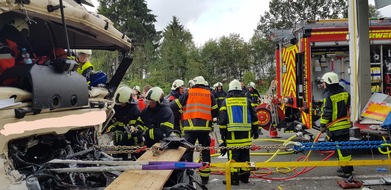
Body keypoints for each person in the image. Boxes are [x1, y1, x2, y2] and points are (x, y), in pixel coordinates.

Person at [171, 76, 218, 185]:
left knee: (188, 152)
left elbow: (175, 105)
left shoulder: (189, 93)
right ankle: (205, 178)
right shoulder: (209, 94)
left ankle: (189, 176)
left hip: (190, 129)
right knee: (205, 152)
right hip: (205, 129)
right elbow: (215, 112)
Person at [218, 79, 259, 185]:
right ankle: (245, 178)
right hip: (246, 135)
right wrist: (255, 131)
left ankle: (234, 179)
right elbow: (254, 117)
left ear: (230, 89)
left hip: (232, 136)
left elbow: (222, 120)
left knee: (233, 158)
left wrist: (223, 134)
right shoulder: (247, 101)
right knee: (245, 156)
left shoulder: (226, 102)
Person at [319, 72, 353, 178]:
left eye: (324, 82)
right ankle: (344, 167)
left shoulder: (328, 95)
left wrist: (322, 125)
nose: (323, 85)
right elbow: (348, 106)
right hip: (345, 125)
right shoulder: (345, 93)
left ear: (328, 82)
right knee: (342, 148)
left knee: (343, 150)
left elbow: (327, 111)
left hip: (336, 127)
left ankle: (347, 172)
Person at [105, 86, 143, 160]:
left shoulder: (135, 110)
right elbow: (111, 122)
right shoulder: (117, 107)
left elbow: (136, 128)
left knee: (130, 159)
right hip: (118, 140)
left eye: (122, 103)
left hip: (131, 142)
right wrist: (113, 130)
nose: (120, 105)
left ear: (127, 101)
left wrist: (126, 134)